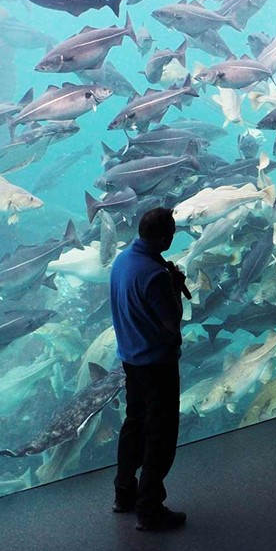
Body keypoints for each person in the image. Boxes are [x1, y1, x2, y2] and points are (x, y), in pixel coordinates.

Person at [110, 207, 190, 531]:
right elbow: (171, 324)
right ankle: (150, 508)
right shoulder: (155, 275)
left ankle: (124, 494)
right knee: (160, 435)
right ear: (161, 237)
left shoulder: (122, 261)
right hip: (156, 364)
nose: (173, 238)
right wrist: (175, 286)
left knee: (134, 427)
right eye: (170, 233)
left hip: (131, 359)